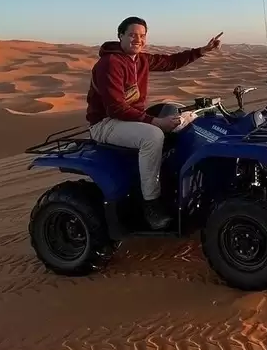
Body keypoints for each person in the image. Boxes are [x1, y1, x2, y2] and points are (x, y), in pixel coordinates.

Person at [85, 16, 223, 229]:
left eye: (141, 36)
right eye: (132, 35)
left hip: (129, 118)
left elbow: (171, 62)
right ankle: (151, 203)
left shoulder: (140, 60)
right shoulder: (110, 63)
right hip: (106, 123)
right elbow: (116, 108)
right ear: (120, 35)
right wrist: (155, 122)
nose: (137, 39)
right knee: (153, 136)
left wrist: (203, 50)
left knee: (186, 115)